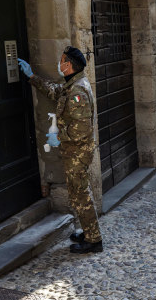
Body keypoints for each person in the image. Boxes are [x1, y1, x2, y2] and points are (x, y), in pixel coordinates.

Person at [17, 47, 103, 254]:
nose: (59, 63)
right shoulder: (72, 85)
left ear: (69, 65)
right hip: (75, 151)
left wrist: (58, 137)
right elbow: (56, 92)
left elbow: (81, 130)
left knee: (81, 194)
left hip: (78, 152)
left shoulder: (78, 91)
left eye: (62, 60)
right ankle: (89, 232)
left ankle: (94, 240)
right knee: (78, 193)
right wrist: (32, 77)